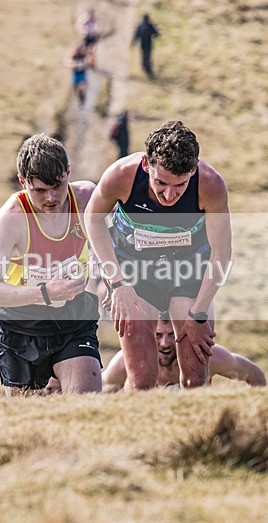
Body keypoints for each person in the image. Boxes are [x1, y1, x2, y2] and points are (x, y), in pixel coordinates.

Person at [85, 120, 232, 390]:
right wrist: (117, 283)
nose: (169, 194)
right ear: (146, 165)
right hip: (135, 271)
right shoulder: (122, 175)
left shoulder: (210, 184)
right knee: (141, 378)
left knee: (194, 377)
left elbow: (222, 254)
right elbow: (92, 220)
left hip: (188, 270)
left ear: (193, 170)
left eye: (180, 186)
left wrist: (199, 314)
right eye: (160, 183)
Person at [0, 133, 102, 396]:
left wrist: (113, 282)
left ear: (68, 171)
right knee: (28, 421)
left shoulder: (86, 198)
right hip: (22, 325)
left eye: (58, 185)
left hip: (73, 318)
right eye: (39, 190)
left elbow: (114, 242)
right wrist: (45, 293)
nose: (51, 198)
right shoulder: (11, 219)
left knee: (86, 402)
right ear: (23, 182)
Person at [102, 313, 266, 391]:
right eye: (158, 335)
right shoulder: (129, 359)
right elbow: (102, 390)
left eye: (171, 335)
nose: (164, 343)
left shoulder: (206, 354)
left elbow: (255, 374)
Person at [132, 14, 159, 79]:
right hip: (149, 43)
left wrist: (133, 43)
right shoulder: (150, 25)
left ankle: (144, 68)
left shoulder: (140, 26)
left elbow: (136, 35)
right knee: (148, 56)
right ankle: (149, 69)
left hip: (142, 44)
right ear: (148, 18)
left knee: (143, 55)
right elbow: (156, 33)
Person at [66, 42, 89, 108]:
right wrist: (73, 65)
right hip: (76, 73)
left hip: (82, 73)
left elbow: (88, 63)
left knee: (81, 87)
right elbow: (68, 62)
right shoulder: (73, 56)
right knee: (76, 89)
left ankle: (83, 98)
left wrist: (85, 65)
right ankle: (80, 100)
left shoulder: (84, 55)